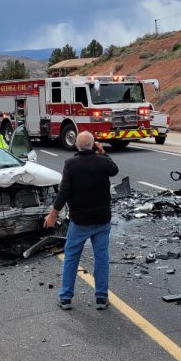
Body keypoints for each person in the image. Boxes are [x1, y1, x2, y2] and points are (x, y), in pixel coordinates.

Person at [44, 131, 119, 310]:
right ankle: (101, 298)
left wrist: (53, 214)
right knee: (101, 258)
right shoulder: (103, 162)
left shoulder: (71, 164)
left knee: (71, 258)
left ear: (77, 145)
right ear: (94, 145)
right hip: (102, 220)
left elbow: (64, 192)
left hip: (80, 221)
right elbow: (114, 170)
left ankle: (66, 298)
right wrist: (103, 152)